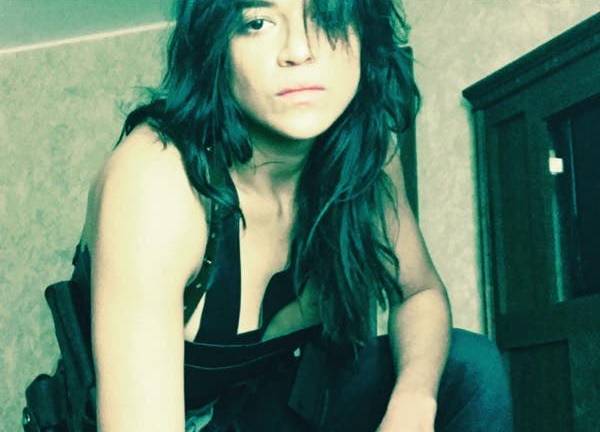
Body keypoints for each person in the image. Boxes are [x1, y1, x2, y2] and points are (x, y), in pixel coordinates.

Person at [67, 0, 513, 430]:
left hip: (267, 408)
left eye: (327, 15)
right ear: (214, 47)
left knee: (469, 369)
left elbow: (419, 293)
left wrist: (413, 401)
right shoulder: (155, 177)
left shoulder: (365, 158)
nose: (299, 51)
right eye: (257, 22)